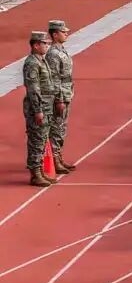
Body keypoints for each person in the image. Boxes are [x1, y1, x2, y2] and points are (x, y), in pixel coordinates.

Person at [23, 31, 58, 187]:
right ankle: (35, 173)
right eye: (45, 43)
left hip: (46, 106)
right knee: (36, 140)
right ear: (36, 45)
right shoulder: (32, 63)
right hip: (38, 108)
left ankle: (40, 171)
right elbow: (33, 89)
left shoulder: (41, 61)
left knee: (43, 139)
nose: (47, 46)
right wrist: (38, 110)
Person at [45, 20, 77, 174]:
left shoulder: (61, 50)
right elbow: (55, 78)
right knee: (57, 127)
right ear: (55, 34)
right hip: (60, 95)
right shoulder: (53, 54)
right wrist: (59, 99)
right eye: (63, 32)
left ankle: (58, 156)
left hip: (66, 92)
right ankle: (54, 159)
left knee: (61, 127)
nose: (66, 34)